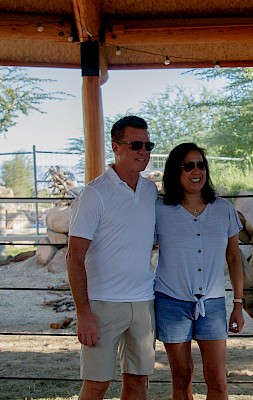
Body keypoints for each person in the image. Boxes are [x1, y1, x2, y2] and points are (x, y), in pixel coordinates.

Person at [67, 115, 158, 400]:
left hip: (143, 302)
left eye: (148, 145)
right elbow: (73, 256)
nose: (143, 151)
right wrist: (84, 314)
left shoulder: (150, 191)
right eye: (135, 145)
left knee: (138, 380)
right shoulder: (95, 194)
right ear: (115, 146)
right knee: (97, 384)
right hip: (102, 305)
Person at [154, 142, 245, 400]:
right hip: (171, 304)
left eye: (201, 164)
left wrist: (238, 304)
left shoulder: (224, 209)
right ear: (175, 171)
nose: (197, 171)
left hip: (213, 304)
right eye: (188, 165)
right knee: (181, 378)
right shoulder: (159, 210)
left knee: (217, 380)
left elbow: (234, 257)